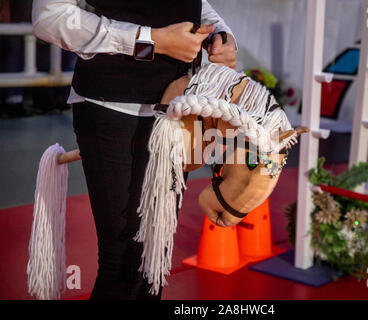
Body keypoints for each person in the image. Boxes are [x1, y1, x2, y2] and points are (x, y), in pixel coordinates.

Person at [32, 0, 237, 300]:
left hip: (176, 111)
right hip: (111, 106)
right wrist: (149, 40)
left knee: (154, 260)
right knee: (124, 264)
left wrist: (220, 33)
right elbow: (49, 16)